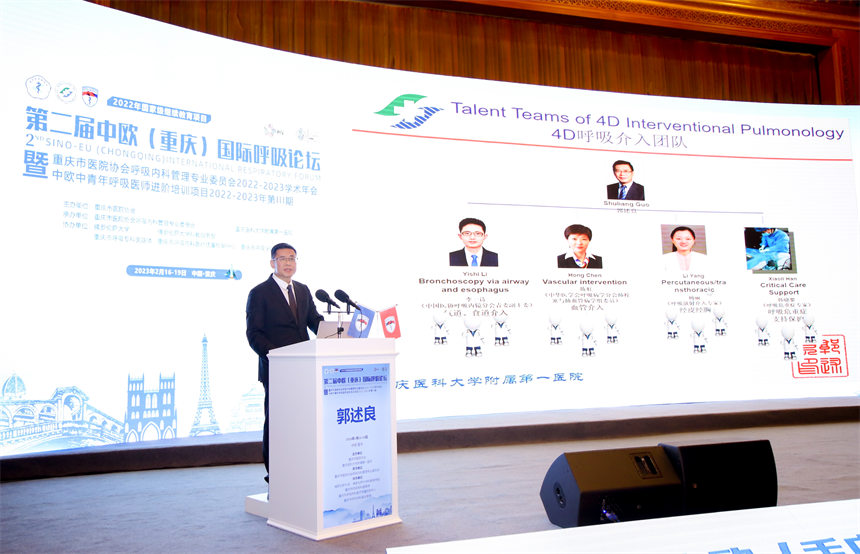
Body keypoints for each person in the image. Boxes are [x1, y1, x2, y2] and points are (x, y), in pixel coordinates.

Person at [246, 242, 324, 483]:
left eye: (292, 258)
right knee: (277, 422)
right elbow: (254, 334)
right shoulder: (259, 293)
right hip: (276, 368)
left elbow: (314, 321)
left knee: (302, 420)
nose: (288, 263)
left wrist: (335, 331)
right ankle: (275, 472)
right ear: (273, 263)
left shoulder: (303, 290)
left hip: (304, 368)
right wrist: (276, 358)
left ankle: (300, 466)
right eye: (283, 259)